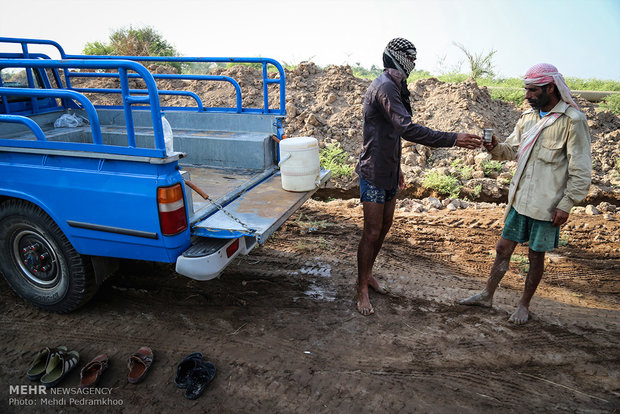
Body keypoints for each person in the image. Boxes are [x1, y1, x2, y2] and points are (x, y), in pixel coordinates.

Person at [355, 37, 482, 316]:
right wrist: (453, 139)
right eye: (411, 58)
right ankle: (361, 287)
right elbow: (407, 129)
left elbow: (389, 133)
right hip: (374, 171)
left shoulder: (395, 85)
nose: (414, 63)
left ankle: (368, 275)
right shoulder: (386, 87)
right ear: (398, 58)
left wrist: (398, 164)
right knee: (372, 231)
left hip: (388, 168)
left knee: (384, 228)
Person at [459, 63, 592, 324]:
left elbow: (581, 169)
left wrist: (566, 203)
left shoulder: (573, 121)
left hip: (548, 204)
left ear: (550, 88)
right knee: (502, 248)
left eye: (532, 90)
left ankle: (524, 305)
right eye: (526, 90)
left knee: (535, 255)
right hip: (520, 201)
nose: (527, 96)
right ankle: (487, 294)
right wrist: (495, 147)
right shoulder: (528, 118)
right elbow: (511, 151)